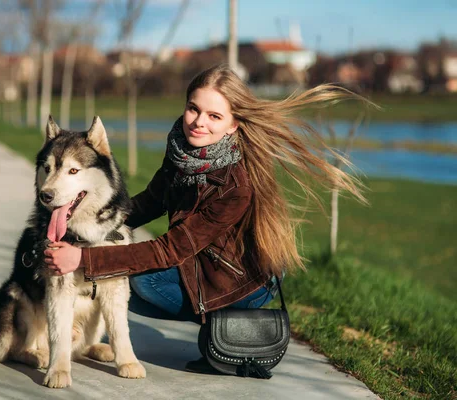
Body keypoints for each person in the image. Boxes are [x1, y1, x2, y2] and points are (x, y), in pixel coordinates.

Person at [43, 64, 365, 372]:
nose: (199, 122)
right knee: (126, 271)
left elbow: (168, 251)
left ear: (233, 124)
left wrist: (84, 259)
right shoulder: (183, 151)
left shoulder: (235, 186)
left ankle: (222, 322)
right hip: (203, 260)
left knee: (139, 281)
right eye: (194, 109)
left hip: (243, 277)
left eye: (214, 116)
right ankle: (214, 318)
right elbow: (150, 202)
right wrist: (89, 223)